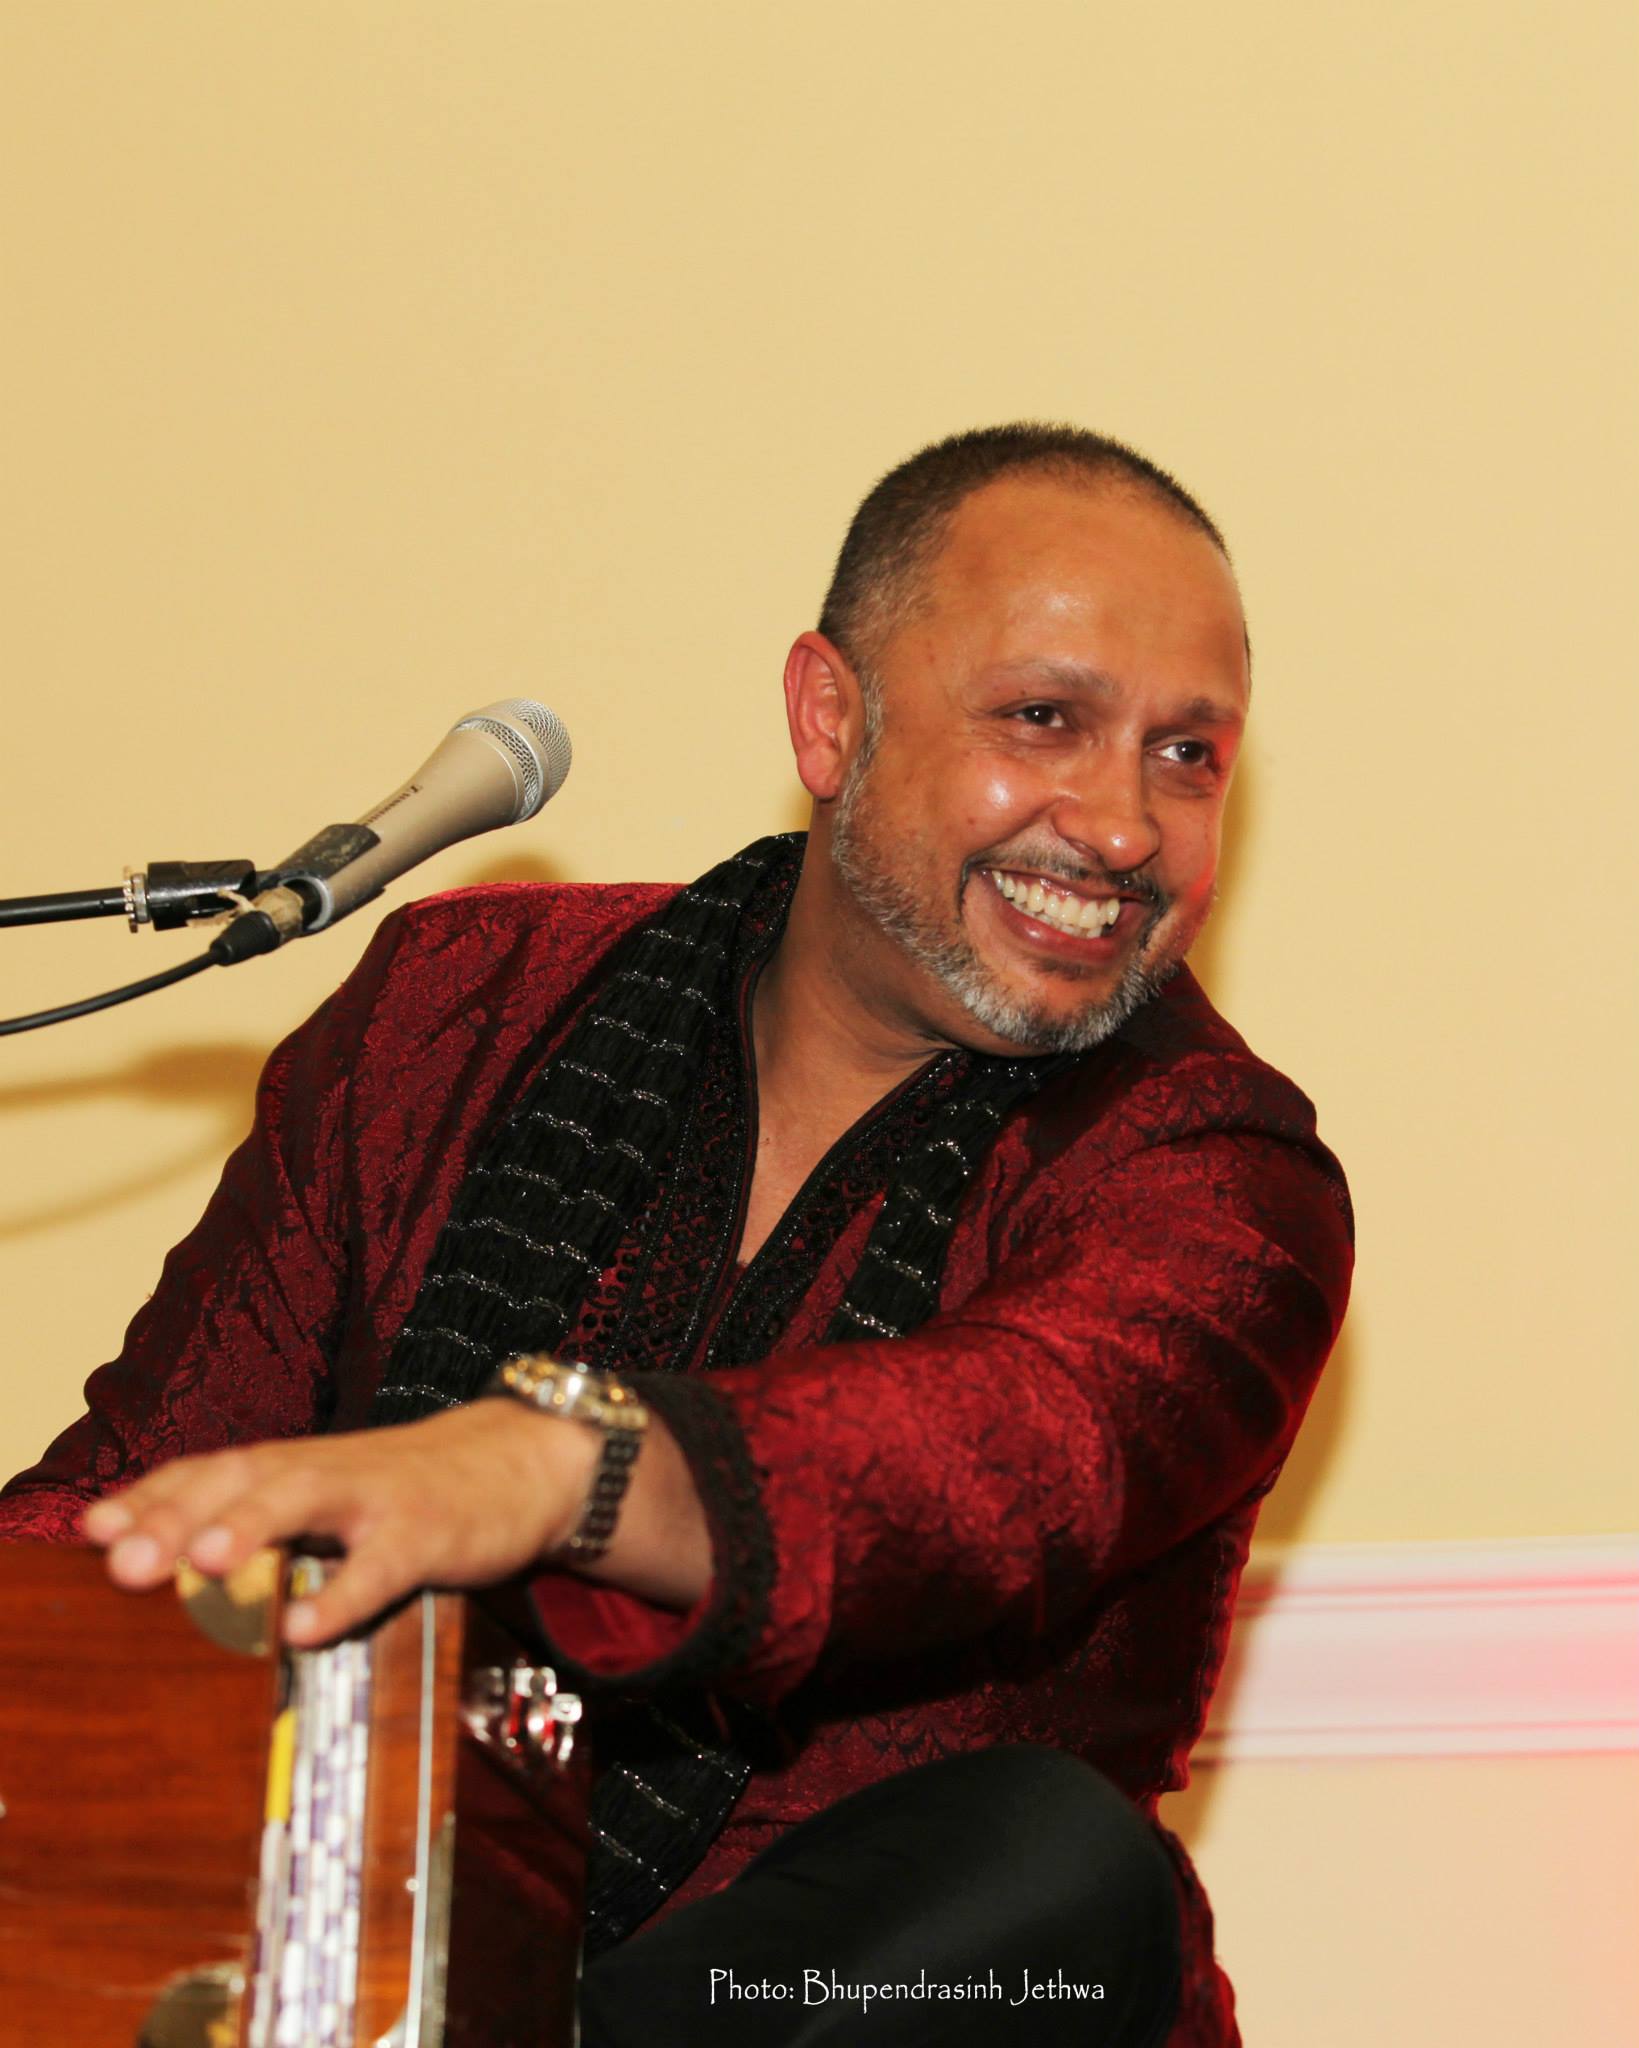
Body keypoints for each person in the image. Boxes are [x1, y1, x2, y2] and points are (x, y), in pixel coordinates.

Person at [0, 423, 1353, 2047]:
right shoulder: (457, 1008)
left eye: (1187, 755)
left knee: (1049, 1864)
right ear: (831, 715)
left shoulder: (1216, 1170)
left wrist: (550, 1468)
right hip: (380, 1971)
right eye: (1045, 719)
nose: (1125, 824)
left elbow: (1003, 1459)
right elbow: (134, 1494)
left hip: (879, 2003)